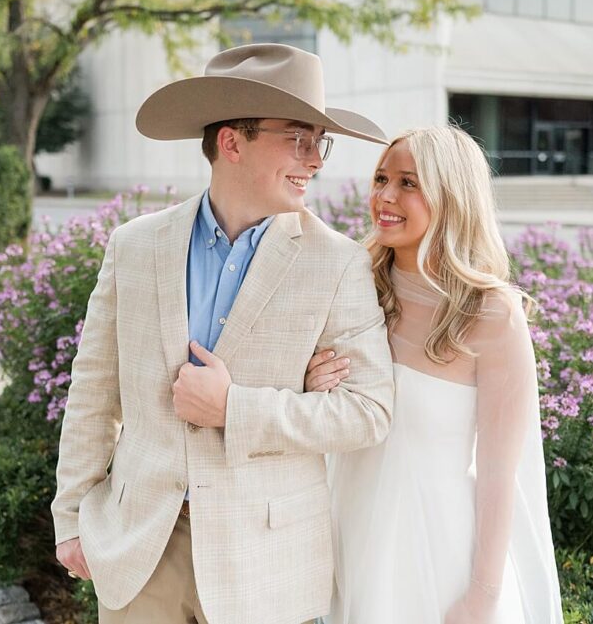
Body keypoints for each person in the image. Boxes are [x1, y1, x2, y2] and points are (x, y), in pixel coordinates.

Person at [50, 43, 396, 624]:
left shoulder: (338, 264)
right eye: (298, 138)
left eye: (321, 141)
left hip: (266, 565)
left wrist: (235, 408)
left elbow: (369, 411)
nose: (316, 160)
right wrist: (70, 517)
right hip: (140, 549)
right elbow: (92, 389)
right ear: (232, 141)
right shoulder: (134, 246)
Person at [306, 127, 563, 624]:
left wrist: (482, 597)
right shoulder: (352, 285)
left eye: (408, 183)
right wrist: (313, 388)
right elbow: (316, 414)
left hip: (440, 556)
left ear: (451, 195)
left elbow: (499, 474)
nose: (384, 196)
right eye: (381, 178)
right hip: (352, 537)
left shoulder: (492, 315)